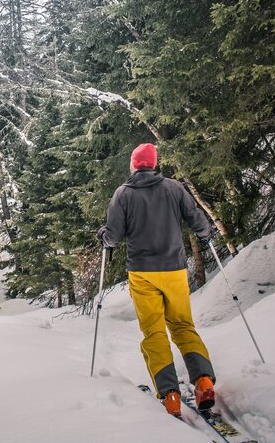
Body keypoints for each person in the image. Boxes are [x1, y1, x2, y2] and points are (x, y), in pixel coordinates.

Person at [97, 143, 216, 418]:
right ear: (154, 164)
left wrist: (104, 236)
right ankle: (204, 381)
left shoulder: (123, 194)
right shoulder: (174, 188)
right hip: (174, 269)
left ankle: (170, 396)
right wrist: (207, 233)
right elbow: (196, 218)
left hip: (142, 273)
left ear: (134, 165)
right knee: (183, 326)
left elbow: (113, 236)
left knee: (154, 331)